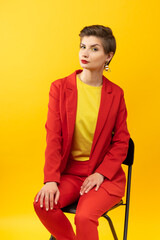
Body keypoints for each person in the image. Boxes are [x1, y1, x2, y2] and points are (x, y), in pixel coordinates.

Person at [33, 25, 130, 240]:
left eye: (94, 49)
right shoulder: (60, 88)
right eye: (83, 46)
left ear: (108, 56)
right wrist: (50, 180)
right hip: (70, 174)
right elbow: (53, 137)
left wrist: (101, 172)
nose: (85, 53)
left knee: (84, 217)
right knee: (42, 203)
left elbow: (122, 141)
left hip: (104, 177)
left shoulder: (116, 94)